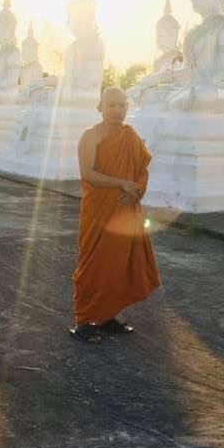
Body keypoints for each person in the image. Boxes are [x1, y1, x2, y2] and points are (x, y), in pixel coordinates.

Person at [70, 86, 161, 344]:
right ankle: (84, 320)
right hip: (98, 210)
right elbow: (88, 174)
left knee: (117, 265)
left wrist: (136, 190)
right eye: (111, 105)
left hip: (124, 210)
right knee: (92, 264)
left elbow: (142, 170)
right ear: (100, 107)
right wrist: (121, 183)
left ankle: (108, 316)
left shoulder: (130, 137)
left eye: (122, 105)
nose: (117, 111)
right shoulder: (90, 136)